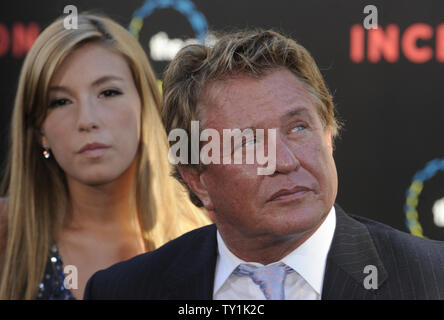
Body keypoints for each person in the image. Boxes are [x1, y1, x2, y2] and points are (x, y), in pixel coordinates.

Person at [83, 29, 444, 300]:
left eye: (298, 128)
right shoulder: (125, 291)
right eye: (249, 142)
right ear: (198, 179)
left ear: (328, 136)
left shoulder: (433, 278)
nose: (285, 162)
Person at [0, 13, 210, 300]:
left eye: (108, 92)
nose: (87, 120)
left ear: (145, 104)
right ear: (40, 130)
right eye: (60, 101)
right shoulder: (8, 237)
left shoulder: (209, 235)